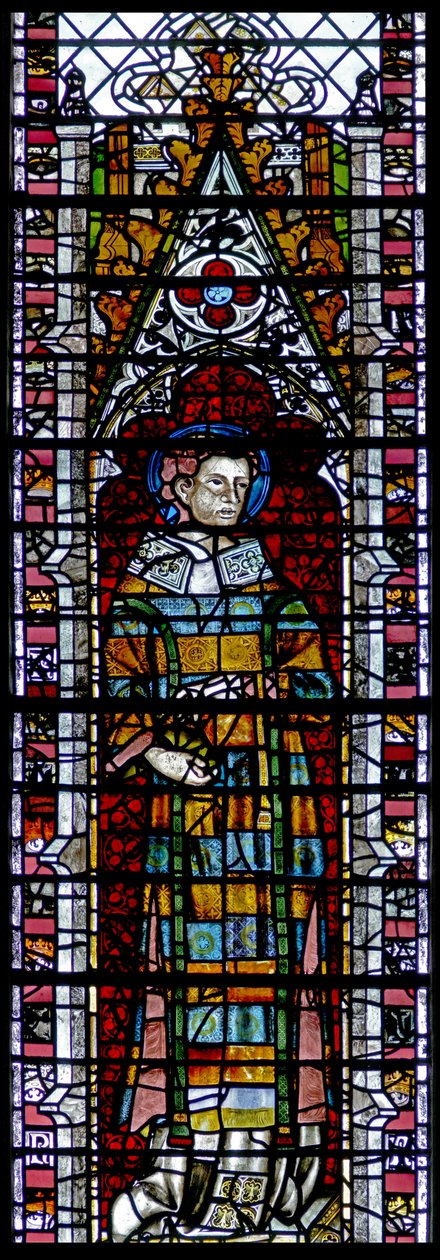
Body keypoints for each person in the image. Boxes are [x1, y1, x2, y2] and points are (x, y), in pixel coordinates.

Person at [104, 430, 337, 1241]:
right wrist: (156, 750)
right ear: (179, 488)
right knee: (193, 982)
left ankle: (255, 1176)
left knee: (267, 985)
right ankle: (182, 1170)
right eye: (215, 483)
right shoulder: (142, 596)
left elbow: (319, 689)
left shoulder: (271, 592)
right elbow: (115, 695)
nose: (230, 498)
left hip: (271, 815)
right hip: (192, 824)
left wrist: (260, 684)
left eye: (241, 485)